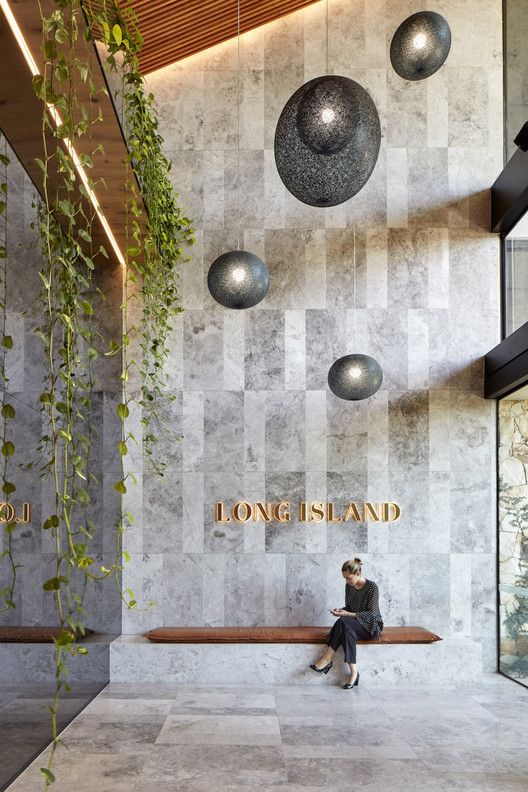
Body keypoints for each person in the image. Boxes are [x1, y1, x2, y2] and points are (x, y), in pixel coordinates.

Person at [309, 557, 384, 689]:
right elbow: (349, 608)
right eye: (345, 578)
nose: (347, 581)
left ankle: (327, 659)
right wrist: (341, 610)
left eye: (349, 578)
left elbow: (372, 615)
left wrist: (347, 615)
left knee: (343, 621)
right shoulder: (349, 587)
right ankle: (354, 672)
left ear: (358, 573)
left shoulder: (372, 587)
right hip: (353, 624)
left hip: (371, 626)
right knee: (346, 629)